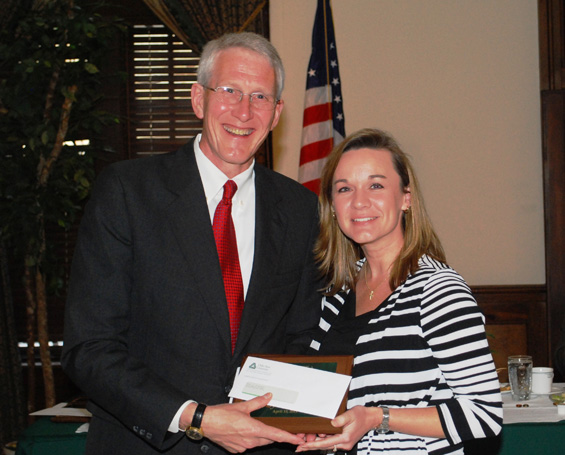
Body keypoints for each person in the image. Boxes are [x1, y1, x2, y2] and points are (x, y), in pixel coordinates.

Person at [62, 32, 322, 455]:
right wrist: (195, 416)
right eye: (230, 91)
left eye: (260, 97)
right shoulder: (128, 192)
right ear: (198, 99)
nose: (244, 110)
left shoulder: (300, 209)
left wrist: (294, 415)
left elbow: (302, 334)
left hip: (261, 445)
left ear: (276, 114)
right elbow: (89, 347)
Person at [296, 128, 503, 455]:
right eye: (344, 188)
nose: (359, 201)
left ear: (406, 198)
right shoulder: (335, 295)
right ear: (333, 206)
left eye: (376, 185)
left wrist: (377, 417)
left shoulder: (438, 290)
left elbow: (484, 414)